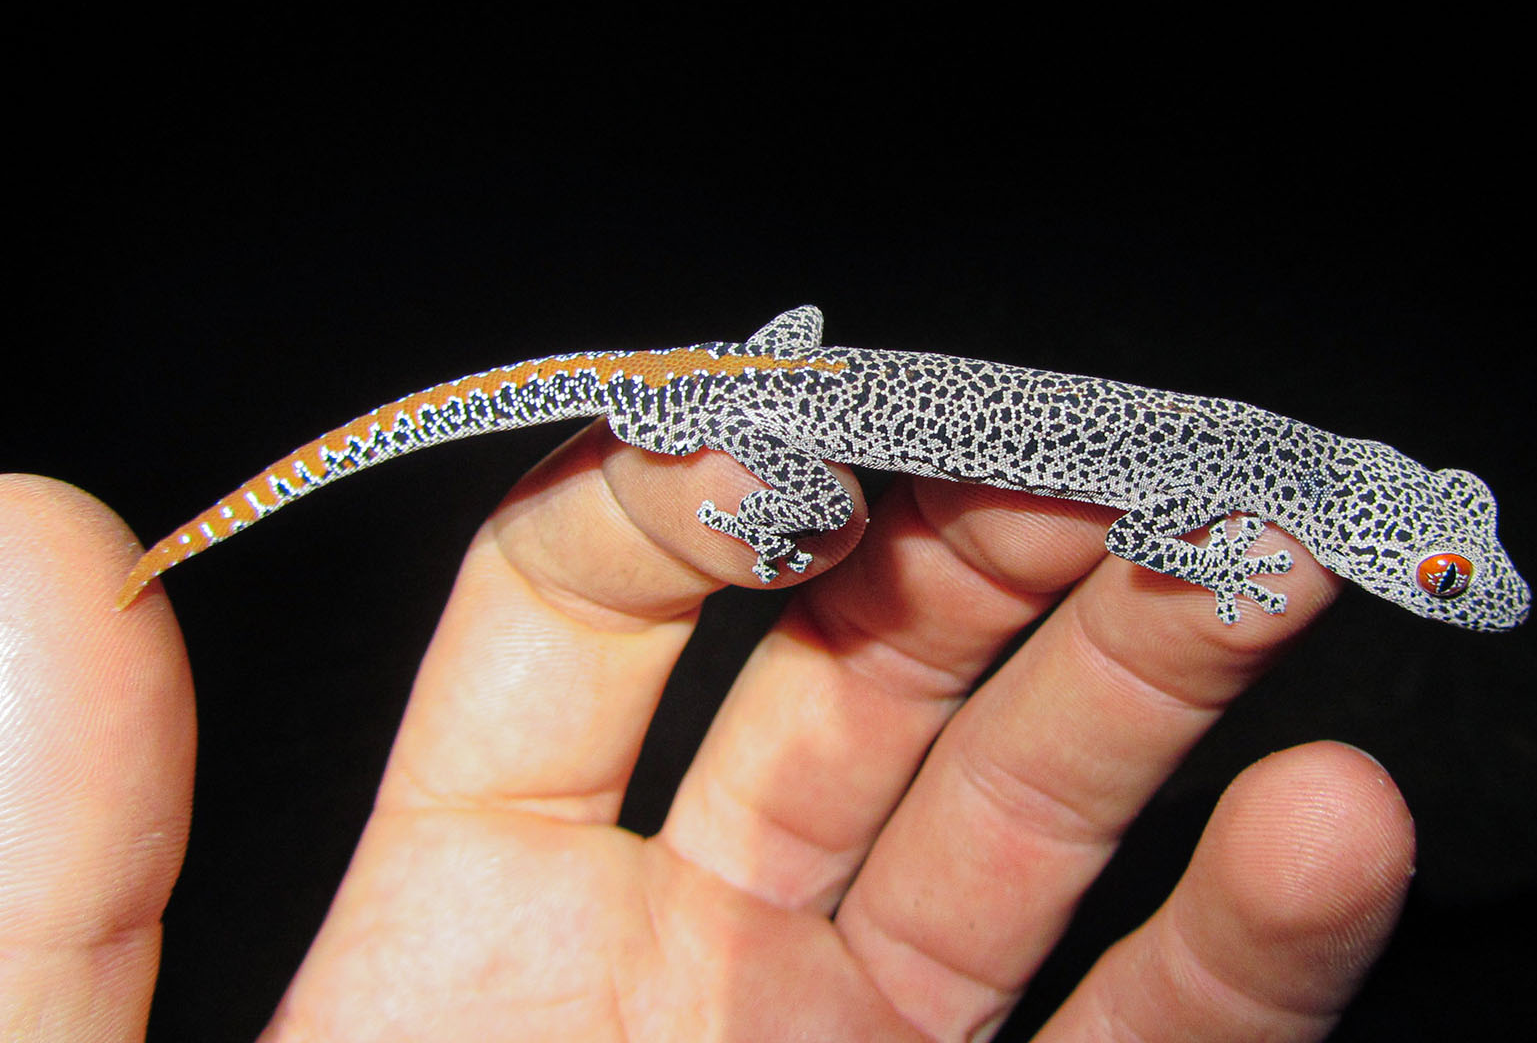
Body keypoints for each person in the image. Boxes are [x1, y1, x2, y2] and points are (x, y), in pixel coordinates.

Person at [0, 424, 1414, 1040]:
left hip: (783, 390)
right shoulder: (1264, 477)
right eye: (1439, 575)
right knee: (786, 514)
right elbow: (1169, 526)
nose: (1441, 591)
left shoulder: (1281, 467)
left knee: (801, 513)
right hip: (767, 411)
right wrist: (1219, 564)